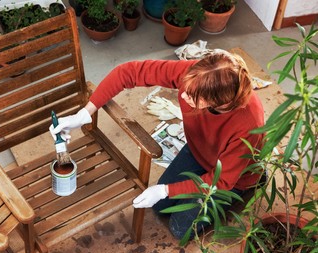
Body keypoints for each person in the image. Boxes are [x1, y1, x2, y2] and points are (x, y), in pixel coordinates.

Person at [50, 50, 265, 240]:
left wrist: (165, 190)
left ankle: (253, 184)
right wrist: (84, 114)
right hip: (200, 151)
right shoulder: (196, 77)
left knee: (180, 229)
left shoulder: (248, 122)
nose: (182, 95)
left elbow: (223, 180)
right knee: (160, 207)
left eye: (192, 97)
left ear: (218, 102)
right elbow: (128, 72)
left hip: (230, 178)